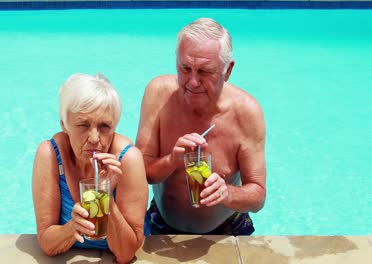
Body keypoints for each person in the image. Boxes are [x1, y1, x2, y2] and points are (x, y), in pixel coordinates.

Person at [136, 18, 266, 235]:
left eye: (205, 71)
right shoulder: (158, 94)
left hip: (227, 229)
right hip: (161, 224)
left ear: (228, 70)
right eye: (185, 68)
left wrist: (227, 193)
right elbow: (142, 173)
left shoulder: (246, 112)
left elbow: (258, 196)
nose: (192, 82)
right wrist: (172, 160)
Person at [32, 73, 148, 263]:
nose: (94, 138)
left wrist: (106, 196)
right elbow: (47, 243)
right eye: (83, 125)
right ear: (65, 125)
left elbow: (126, 253)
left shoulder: (127, 159)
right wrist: (71, 228)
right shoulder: (51, 154)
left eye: (104, 127)